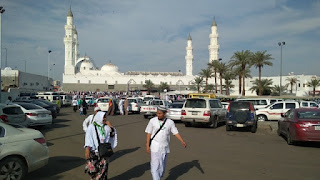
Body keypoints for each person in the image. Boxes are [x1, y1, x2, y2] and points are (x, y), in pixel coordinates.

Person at [145, 107, 187, 180]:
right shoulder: (152, 121)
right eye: (157, 113)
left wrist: (182, 141)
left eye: (160, 113)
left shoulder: (170, 122)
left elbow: (175, 132)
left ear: (165, 113)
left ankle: (159, 177)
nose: (158, 115)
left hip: (165, 147)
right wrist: (147, 145)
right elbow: (149, 133)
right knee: (155, 165)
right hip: (155, 146)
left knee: (162, 166)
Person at [84, 111, 117, 180]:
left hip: (103, 153)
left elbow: (112, 135)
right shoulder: (91, 127)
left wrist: (110, 126)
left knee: (103, 172)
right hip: (94, 152)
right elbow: (88, 138)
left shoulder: (106, 127)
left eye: (105, 117)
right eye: (103, 117)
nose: (104, 119)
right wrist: (87, 148)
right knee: (93, 171)